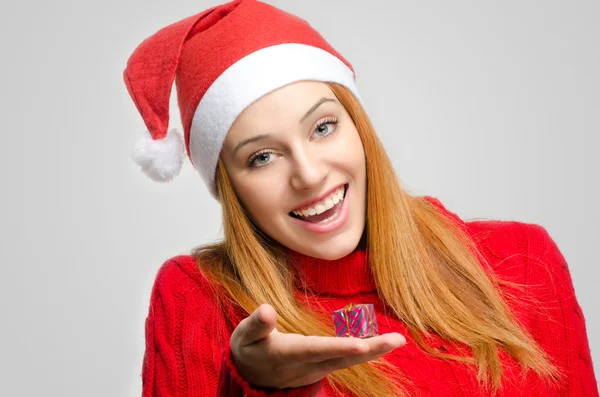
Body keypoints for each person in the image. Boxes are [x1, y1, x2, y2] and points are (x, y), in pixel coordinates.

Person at [123, 1, 598, 396]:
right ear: (229, 184)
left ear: (359, 127)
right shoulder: (199, 302)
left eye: (323, 127)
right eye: (263, 157)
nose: (309, 175)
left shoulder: (522, 262)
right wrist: (257, 387)